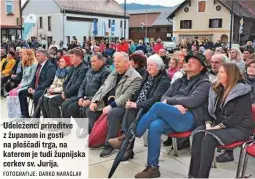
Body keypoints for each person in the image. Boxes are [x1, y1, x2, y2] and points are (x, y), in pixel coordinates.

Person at [134, 53, 210, 178]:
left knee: (158, 106)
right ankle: (152, 167)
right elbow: (165, 95)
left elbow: (193, 101)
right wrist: (173, 106)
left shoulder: (204, 83)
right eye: (187, 61)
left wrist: (171, 102)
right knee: (154, 125)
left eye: (193, 62)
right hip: (174, 116)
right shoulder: (180, 81)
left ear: (201, 68)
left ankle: (133, 134)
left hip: (190, 119)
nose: (188, 63)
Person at [189, 63, 253, 178]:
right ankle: (193, 175)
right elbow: (207, 110)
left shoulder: (243, 91)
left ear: (231, 75)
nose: (218, 74)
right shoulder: (216, 88)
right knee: (198, 134)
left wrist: (214, 128)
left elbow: (236, 117)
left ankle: (202, 176)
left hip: (239, 127)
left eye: (222, 72)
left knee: (209, 137)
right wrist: (208, 125)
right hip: (218, 124)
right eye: (219, 72)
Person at [108, 54, 170, 160]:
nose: (148, 67)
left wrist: (137, 104)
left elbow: (155, 99)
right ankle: (125, 143)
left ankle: (125, 142)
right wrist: (131, 99)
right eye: (148, 65)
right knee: (126, 110)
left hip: (152, 109)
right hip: (139, 105)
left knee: (132, 111)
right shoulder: (147, 75)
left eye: (152, 65)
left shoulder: (164, 80)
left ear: (159, 67)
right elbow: (138, 91)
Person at [87, 52, 142, 157]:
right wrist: (95, 100)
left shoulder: (135, 77)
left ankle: (109, 144)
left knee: (113, 113)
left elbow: (125, 96)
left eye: (119, 61)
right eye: (114, 61)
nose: (116, 64)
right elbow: (104, 87)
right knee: (90, 110)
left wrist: (111, 106)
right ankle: (99, 137)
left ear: (127, 62)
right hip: (110, 100)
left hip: (124, 105)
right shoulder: (114, 72)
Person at [67, 53, 111, 136]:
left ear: (101, 61)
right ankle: (85, 127)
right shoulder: (89, 71)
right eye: (91, 61)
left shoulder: (106, 72)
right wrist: (80, 97)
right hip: (85, 98)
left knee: (86, 110)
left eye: (94, 61)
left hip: (99, 100)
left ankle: (91, 131)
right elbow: (82, 85)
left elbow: (103, 90)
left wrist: (90, 100)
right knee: (72, 108)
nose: (92, 63)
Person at [47, 48, 88, 118]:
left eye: (72, 57)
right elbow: (65, 82)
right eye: (70, 57)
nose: (70, 59)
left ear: (79, 57)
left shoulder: (84, 69)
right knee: (52, 101)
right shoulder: (72, 67)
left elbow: (77, 85)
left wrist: (66, 94)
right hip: (68, 93)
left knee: (65, 105)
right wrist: (65, 93)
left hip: (76, 95)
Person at [18, 49, 56, 118]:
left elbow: (48, 82)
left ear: (45, 56)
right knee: (21, 92)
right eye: (36, 56)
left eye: (38, 56)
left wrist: (36, 89)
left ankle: (36, 117)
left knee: (36, 94)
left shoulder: (50, 66)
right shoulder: (39, 65)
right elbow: (34, 78)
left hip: (44, 89)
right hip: (36, 88)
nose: (36, 57)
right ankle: (25, 114)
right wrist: (30, 87)